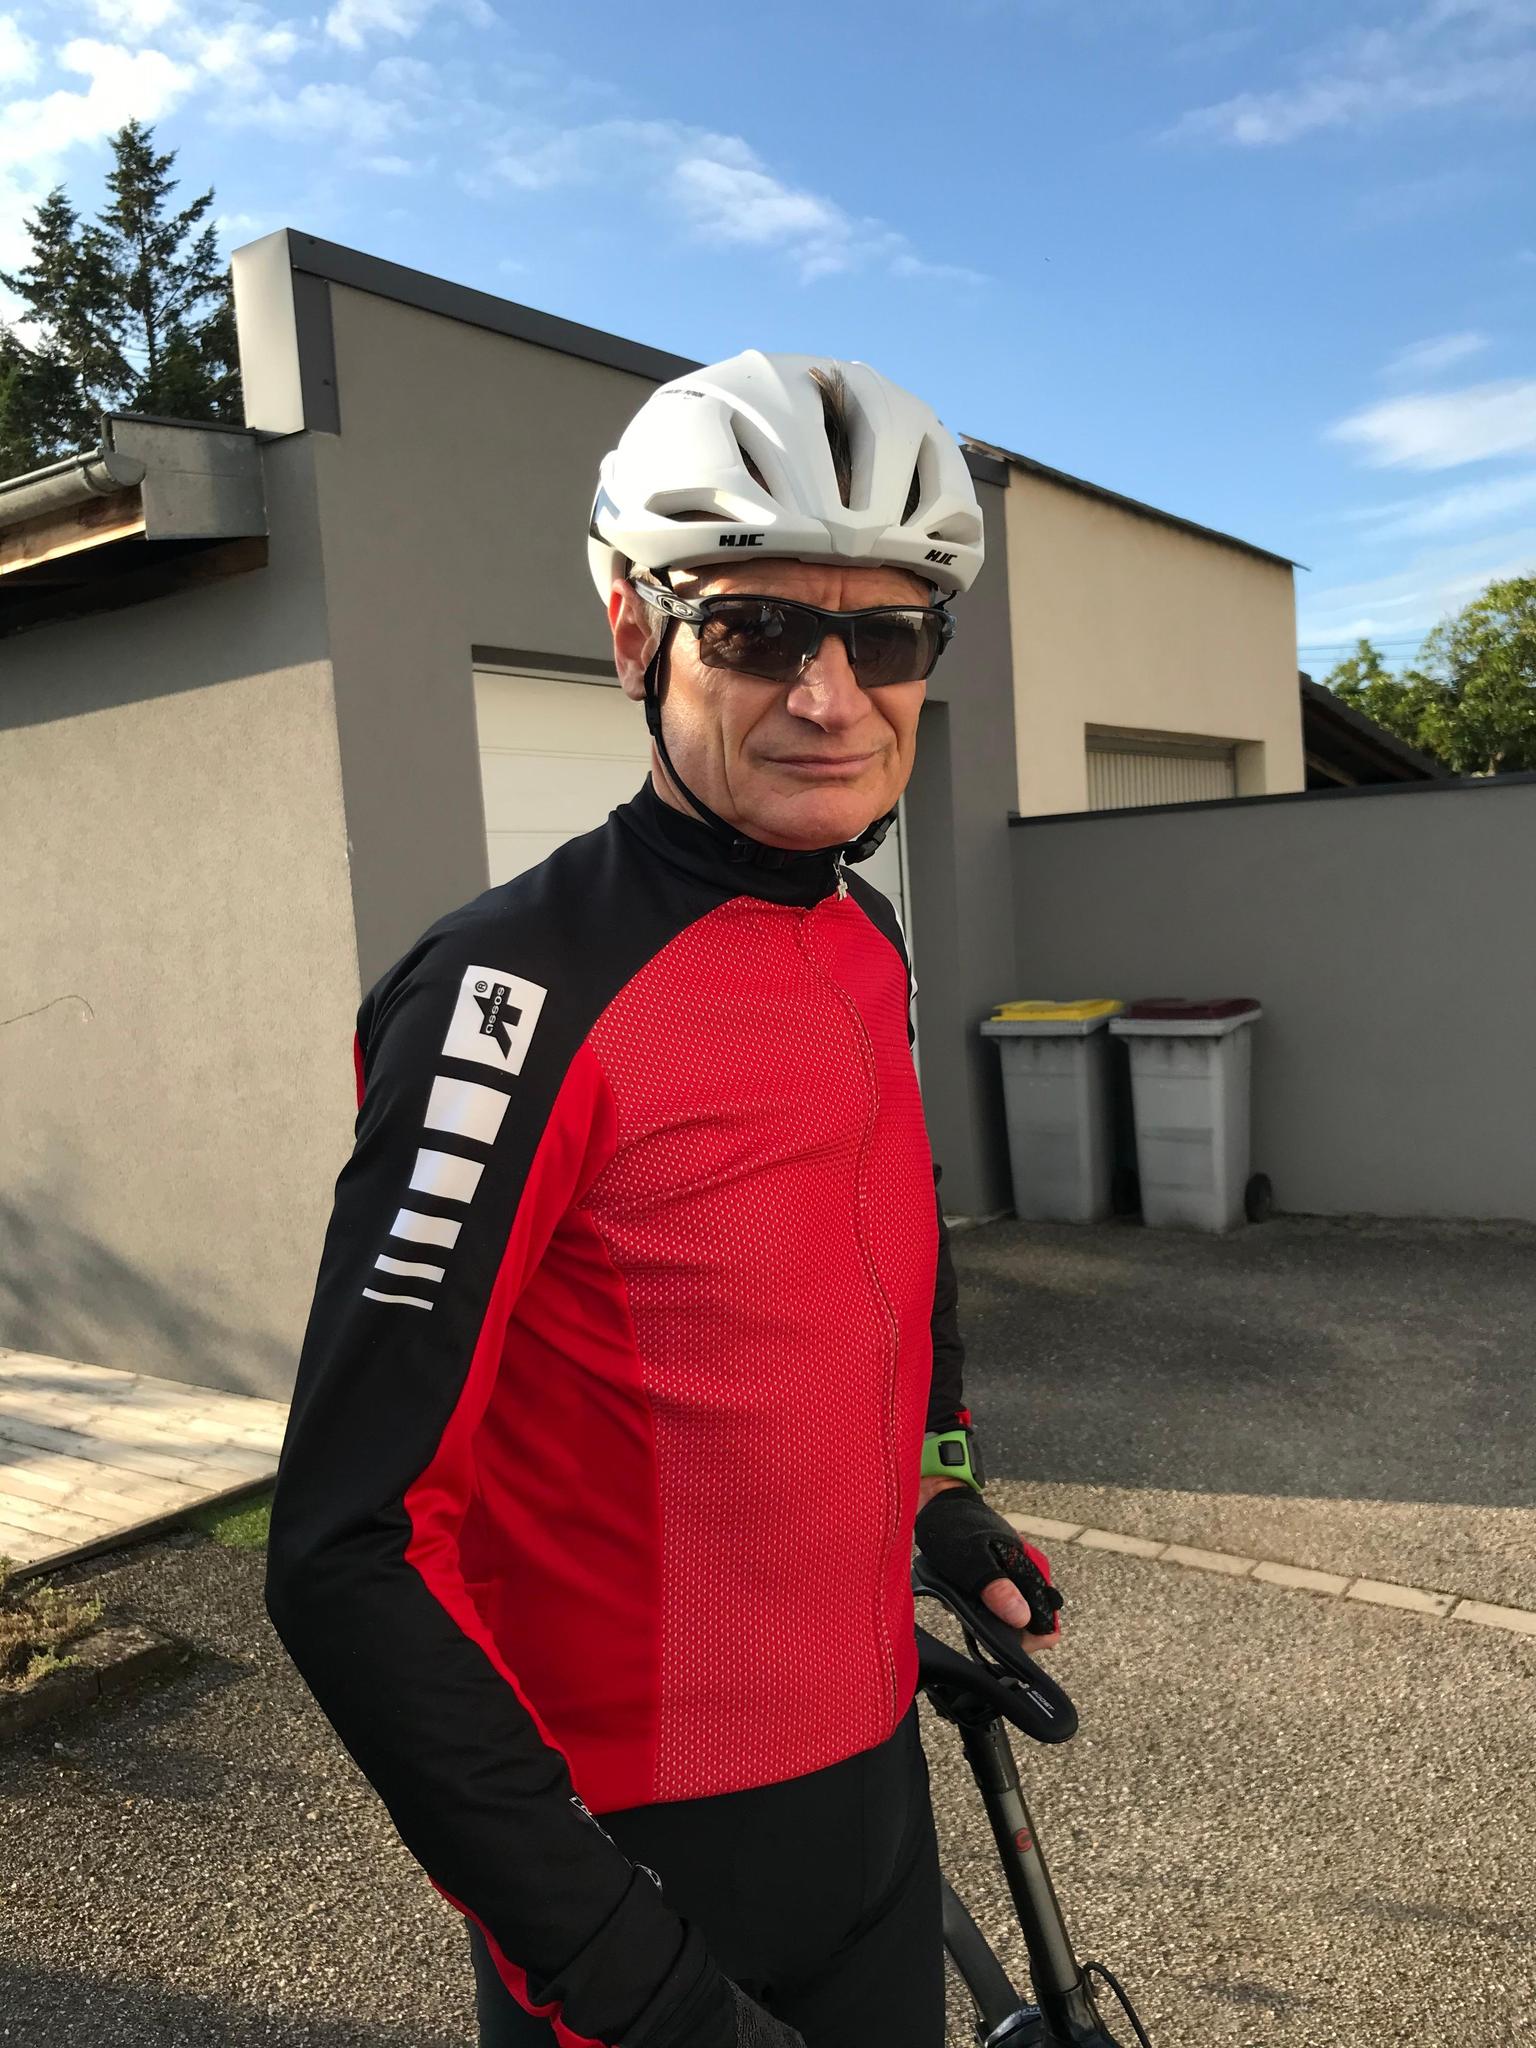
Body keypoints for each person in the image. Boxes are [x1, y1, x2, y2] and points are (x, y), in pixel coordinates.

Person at [265, 349, 1063, 2048]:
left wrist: (939, 1485)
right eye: (757, 630)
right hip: (640, 1864)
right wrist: (624, 1979)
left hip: (872, 1794)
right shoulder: (508, 992)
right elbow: (346, 1551)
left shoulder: (863, 931)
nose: (832, 696)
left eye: (888, 637)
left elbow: (888, 1239)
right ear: (635, 633)